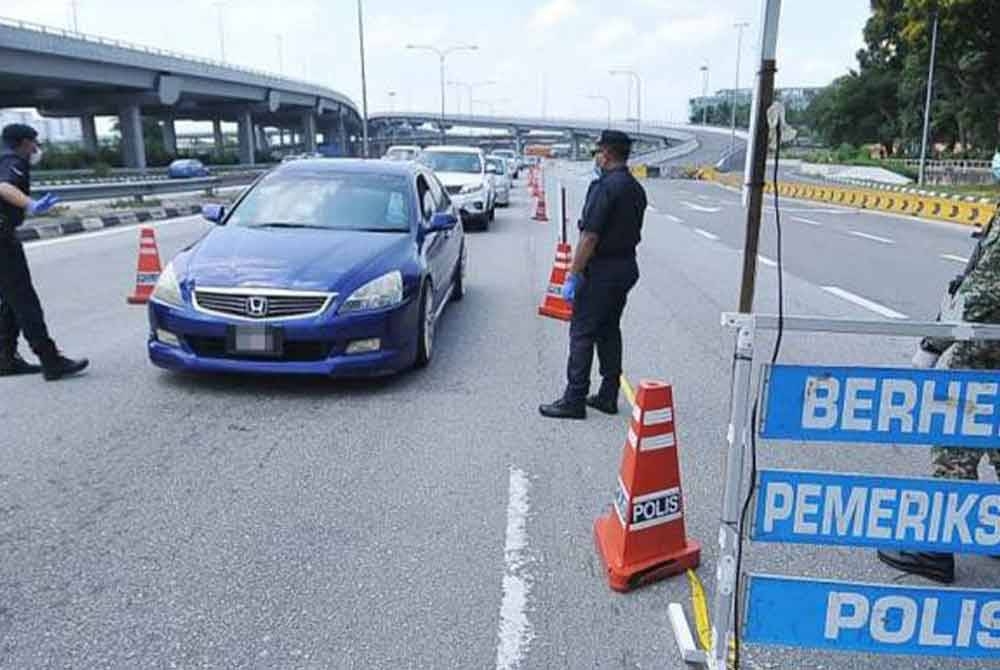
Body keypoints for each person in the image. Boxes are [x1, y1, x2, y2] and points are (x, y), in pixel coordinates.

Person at [877, 204, 1000, 583]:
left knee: (954, 444)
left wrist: (933, 344)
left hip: (986, 348)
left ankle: (935, 547)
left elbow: (983, 292)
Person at [540, 130, 646, 419]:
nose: (596, 157)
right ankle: (608, 394)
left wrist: (573, 274)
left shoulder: (605, 187)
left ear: (607, 154)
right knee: (609, 328)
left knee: (583, 331)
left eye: (597, 152)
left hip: (602, 269)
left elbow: (589, 237)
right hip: (625, 267)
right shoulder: (635, 188)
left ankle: (574, 398)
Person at [0, 123, 88, 381]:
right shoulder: (13, 159)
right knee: (24, 299)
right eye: (34, 142)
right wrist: (32, 205)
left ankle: (5, 358)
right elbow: (3, 187)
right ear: (24, 142)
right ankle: (50, 359)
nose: (37, 148)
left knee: (11, 299)